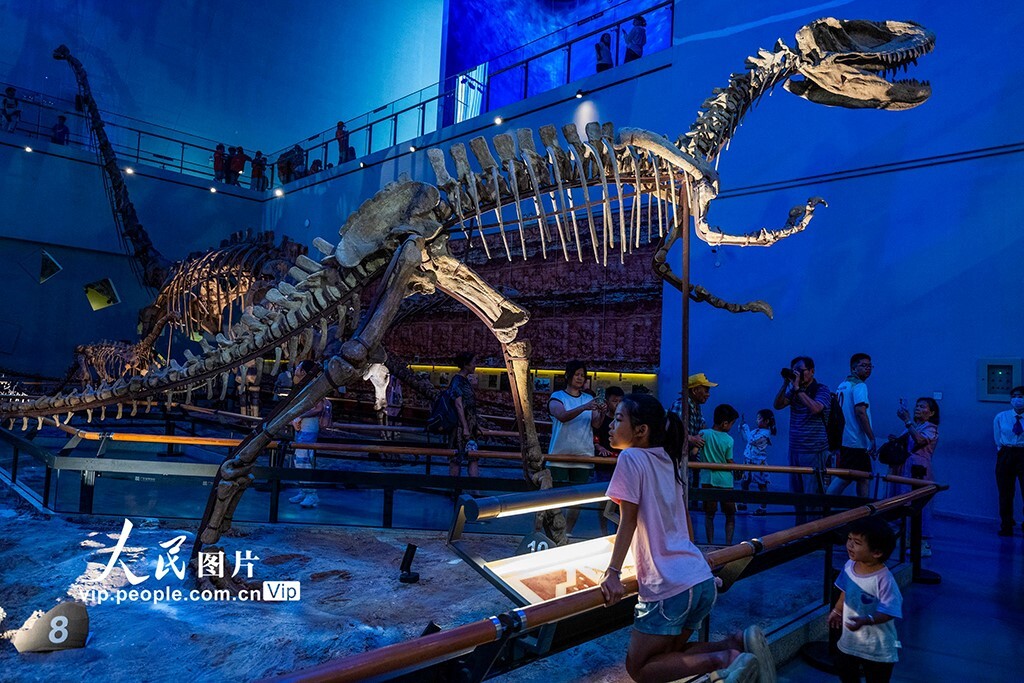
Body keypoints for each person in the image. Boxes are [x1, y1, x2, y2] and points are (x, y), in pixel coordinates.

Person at [599, 393, 774, 683]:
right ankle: (737, 645)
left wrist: (613, 572)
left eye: (618, 419)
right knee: (668, 655)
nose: (611, 425)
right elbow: (683, 519)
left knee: (639, 667)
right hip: (698, 577)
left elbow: (627, 521)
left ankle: (725, 660)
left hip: (668, 585)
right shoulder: (667, 460)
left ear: (641, 430)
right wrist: (697, 561)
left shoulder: (630, 458)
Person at [828, 516, 902, 683]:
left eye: (857, 542)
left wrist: (866, 620)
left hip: (877, 648)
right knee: (846, 674)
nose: (850, 545)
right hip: (850, 642)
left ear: (877, 552)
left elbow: (890, 611)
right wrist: (837, 610)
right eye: (849, 539)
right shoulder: (849, 565)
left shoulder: (884, 579)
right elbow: (845, 591)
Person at [774, 356, 831, 525]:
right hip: (795, 449)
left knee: (812, 495)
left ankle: (814, 532)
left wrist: (798, 390)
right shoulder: (794, 390)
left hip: (814, 449)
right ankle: (800, 530)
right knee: (797, 495)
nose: (798, 374)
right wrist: (786, 383)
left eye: (801, 371)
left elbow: (816, 408)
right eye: (795, 371)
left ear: (812, 371)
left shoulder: (821, 389)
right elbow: (777, 405)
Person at [548, 361, 604, 534]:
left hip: (583, 455)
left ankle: (568, 531)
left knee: (577, 498)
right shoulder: (557, 397)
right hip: (559, 455)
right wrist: (584, 407)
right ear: (568, 376)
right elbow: (562, 415)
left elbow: (596, 424)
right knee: (556, 497)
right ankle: (554, 530)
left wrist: (601, 411)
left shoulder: (588, 398)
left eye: (583, 375)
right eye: (577, 374)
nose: (580, 378)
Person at [886, 397, 939, 554]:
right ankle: (907, 539)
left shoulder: (931, 428)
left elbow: (920, 440)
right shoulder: (916, 426)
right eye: (917, 406)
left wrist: (907, 421)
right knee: (905, 503)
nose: (918, 408)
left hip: (918, 470)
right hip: (906, 469)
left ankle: (921, 543)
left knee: (918, 504)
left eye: (923, 407)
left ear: (931, 413)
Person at [828, 354, 876, 498]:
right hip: (856, 440)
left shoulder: (842, 385)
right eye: (864, 365)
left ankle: (862, 508)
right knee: (845, 477)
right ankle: (824, 504)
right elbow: (860, 412)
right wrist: (871, 437)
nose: (868, 369)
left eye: (870, 366)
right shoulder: (860, 385)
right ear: (853, 368)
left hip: (845, 438)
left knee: (862, 477)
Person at [672, 373, 717, 502]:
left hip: (687, 457)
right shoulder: (682, 405)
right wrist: (692, 439)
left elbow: (702, 426)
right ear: (695, 390)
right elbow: (674, 430)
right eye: (706, 390)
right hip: (678, 458)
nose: (708, 394)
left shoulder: (695, 407)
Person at [699, 404, 739, 545]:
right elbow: (729, 460)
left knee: (709, 515)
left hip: (707, 479)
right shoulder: (729, 440)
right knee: (730, 515)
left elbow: (694, 451)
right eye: (732, 423)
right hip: (725, 481)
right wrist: (738, 468)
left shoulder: (703, 434)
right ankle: (728, 544)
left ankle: (710, 543)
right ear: (725, 424)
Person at [289, 360, 326, 508]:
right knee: (298, 459)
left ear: (304, 371)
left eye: (299, 367)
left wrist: (300, 416)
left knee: (304, 459)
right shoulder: (305, 386)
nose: (296, 369)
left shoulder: (314, 386)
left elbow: (319, 407)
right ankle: (304, 490)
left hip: (309, 427)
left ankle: (312, 494)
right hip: (302, 426)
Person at [994, 386, 1024, 536]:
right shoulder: (1001, 416)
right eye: (1014, 396)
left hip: (1023, 452)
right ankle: (1006, 524)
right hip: (1007, 452)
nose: (1017, 399)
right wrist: (1002, 450)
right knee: (1005, 491)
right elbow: (997, 437)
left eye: (1021, 396)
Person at [448, 352, 481, 479]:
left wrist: (475, 425)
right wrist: (465, 427)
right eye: (473, 363)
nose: (475, 366)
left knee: (473, 456)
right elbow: (458, 404)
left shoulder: (464, 381)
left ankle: (473, 487)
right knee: (456, 458)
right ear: (466, 364)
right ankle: (455, 487)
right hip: (460, 427)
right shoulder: (457, 381)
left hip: (469, 426)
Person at [738, 409, 776, 516]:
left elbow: (752, 441)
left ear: (766, 421)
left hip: (758, 462)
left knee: (762, 485)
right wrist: (742, 428)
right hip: (748, 460)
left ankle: (763, 507)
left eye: (759, 418)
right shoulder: (756, 431)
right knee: (744, 482)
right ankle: (744, 502)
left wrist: (746, 428)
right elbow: (746, 439)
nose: (756, 420)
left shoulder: (765, 434)